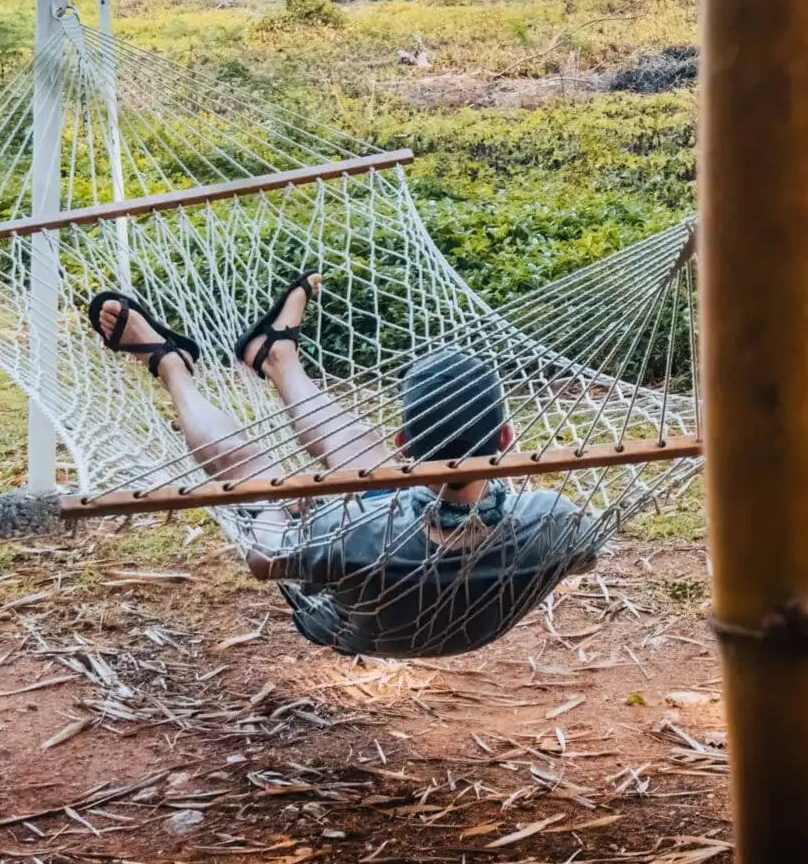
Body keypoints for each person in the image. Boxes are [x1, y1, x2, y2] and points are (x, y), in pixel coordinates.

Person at [85, 273, 602, 658]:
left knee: (262, 480)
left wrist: (283, 507)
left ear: (403, 447)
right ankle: (276, 357)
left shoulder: (349, 532)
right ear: (506, 439)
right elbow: (583, 557)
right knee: (368, 473)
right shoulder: (556, 520)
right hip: (471, 624)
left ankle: (171, 366)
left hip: (354, 624)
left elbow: (265, 561)